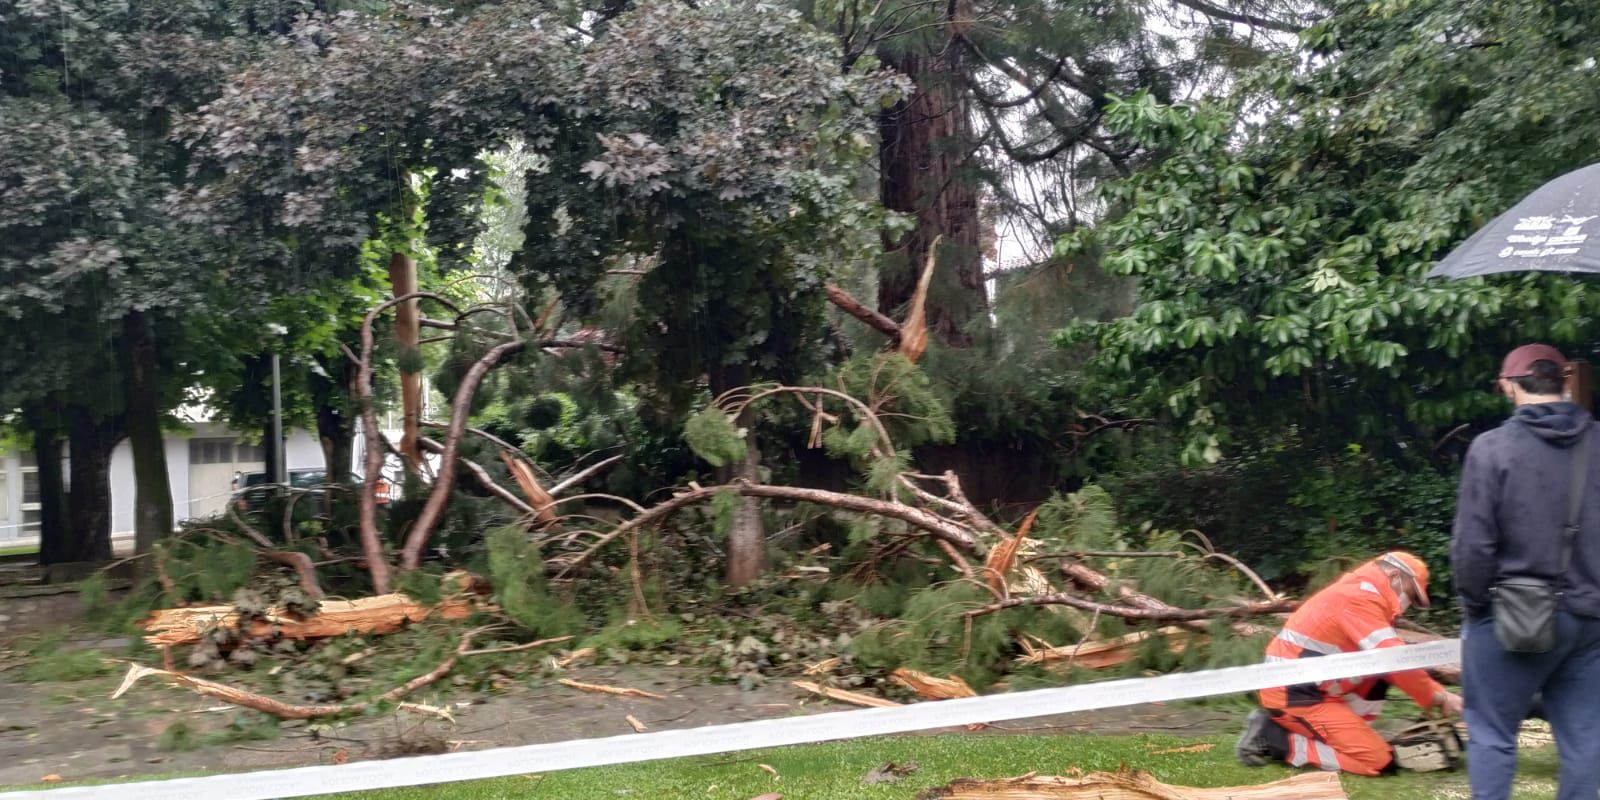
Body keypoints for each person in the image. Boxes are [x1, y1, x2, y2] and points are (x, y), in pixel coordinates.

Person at [1452, 343, 1600, 800]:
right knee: (1587, 743)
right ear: (1563, 382)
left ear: (1509, 387)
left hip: (1511, 618)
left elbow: (1471, 548)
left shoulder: (1492, 448)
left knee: (1493, 736)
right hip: (1589, 621)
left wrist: (1478, 609)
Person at [1236, 551, 1462, 775]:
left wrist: (1433, 694)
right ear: (1394, 576)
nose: (1407, 604)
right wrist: (1438, 696)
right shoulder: (1359, 599)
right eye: (1411, 595)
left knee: (1378, 677)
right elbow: (1396, 660)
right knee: (1379, 762)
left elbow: (1390, 664)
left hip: (1308, 687)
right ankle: (1277, 740)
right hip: (1294, 694)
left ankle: (1348, 736)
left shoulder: (1362, 594)